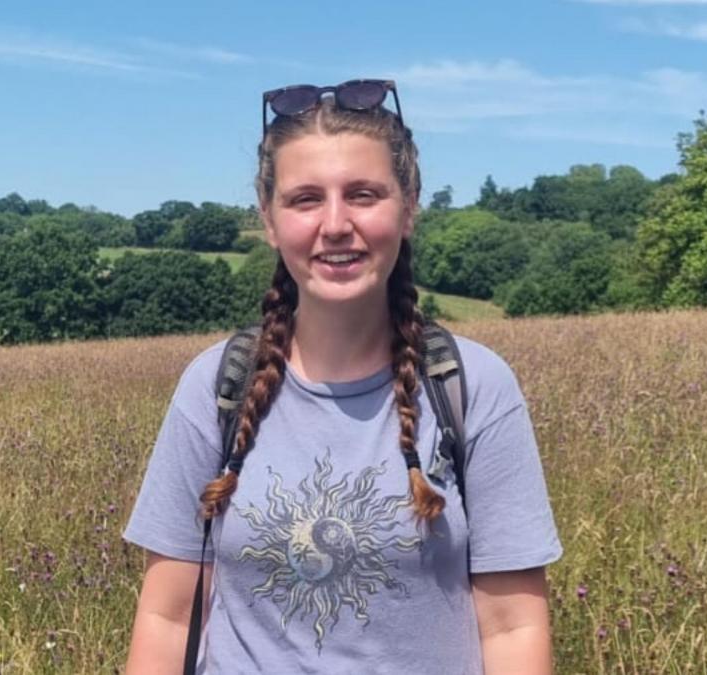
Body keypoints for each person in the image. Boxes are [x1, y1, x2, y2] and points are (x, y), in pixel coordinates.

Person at [122, 79, 562, 674]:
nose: (334, 224)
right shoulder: (217, 385)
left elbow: (514, 628)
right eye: (305, 199)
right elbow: (168, 616)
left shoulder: (471, 386)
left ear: (408, 208)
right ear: (270, 220)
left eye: (363, 194)